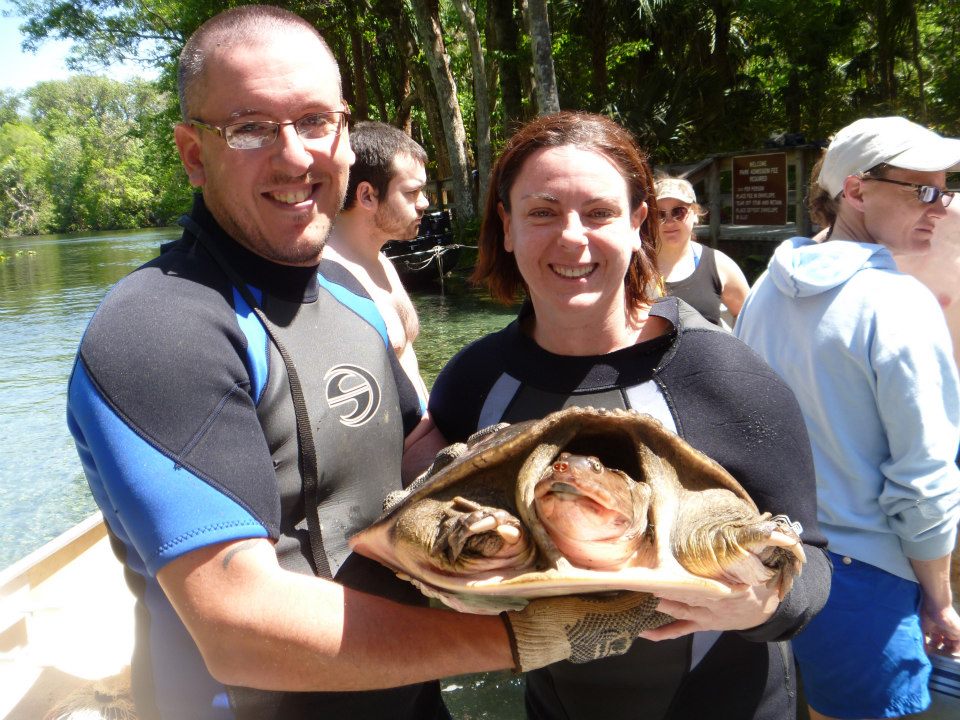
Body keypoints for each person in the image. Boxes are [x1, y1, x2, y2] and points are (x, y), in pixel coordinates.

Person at [65, 7, 657, 719]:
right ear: (194, 153)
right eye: (250, 128)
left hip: (408, 699)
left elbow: (419, 468)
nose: (295, 157)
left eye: (317, 121)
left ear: (346, 137)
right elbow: (236, 626)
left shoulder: (351, 296)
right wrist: (533, 636)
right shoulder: (158, 328)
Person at [421, 110, 831, 720]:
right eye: (542, 212)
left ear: (639, 223)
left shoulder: (724, 375)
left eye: (600, 212)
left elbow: (813, 563)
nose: (572, 237)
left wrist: (763, 604)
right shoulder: (475, 382)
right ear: (506, 227)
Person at [734, 116, 960, 720]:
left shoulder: (765, 287)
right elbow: (924, 474)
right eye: (926, 190)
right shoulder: (899, 302)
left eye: (948, 190)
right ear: (856, 190)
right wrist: (939, 598)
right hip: (869, 579)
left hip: (770, 564)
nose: (941, 207)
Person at [324, 121, 431, 408]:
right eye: (412, 192)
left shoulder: (381, 261)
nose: (425, 202)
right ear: (367, 196)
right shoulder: (326, 282)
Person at [653, 176, 749, 327]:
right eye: (660, 214)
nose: (670, 221)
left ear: (695, 215)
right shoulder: (636, 267)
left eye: (679, 212)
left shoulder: (718, 265)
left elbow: (748, 317)